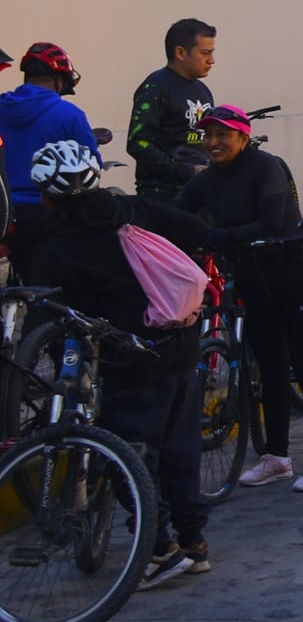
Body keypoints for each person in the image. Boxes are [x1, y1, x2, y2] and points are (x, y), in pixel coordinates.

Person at [24, 140, 213, 588]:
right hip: (180, 342)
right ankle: (193, 542)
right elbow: (196, 232)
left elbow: (43, 313)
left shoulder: (55, 246)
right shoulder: (135, 210)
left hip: (126, 359)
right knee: (180, 445)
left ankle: (159, 549)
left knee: (130, 455)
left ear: (48, 198)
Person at [177, 105, 303, 491]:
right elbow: (176, 212)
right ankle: (276, 457)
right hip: (254, 282)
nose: (213, 143)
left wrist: (214, 237)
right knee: (269, 369)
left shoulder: (266, 168)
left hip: (296, 277)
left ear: (243, 137)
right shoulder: (208, 179)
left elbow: (271, 222)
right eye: (208, 135)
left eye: (222, 135)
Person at [0, 41, 96, 251]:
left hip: (3, 215)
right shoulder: (70, 115)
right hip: (51, 218)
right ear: (59, 80)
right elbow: (91, 169)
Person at [128, 17, 216, 200]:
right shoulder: (155, 87)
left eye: (212, 52)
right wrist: (187, 171)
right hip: (163, 197)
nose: (212, 60)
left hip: (201, 194)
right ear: (180, 53)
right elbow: (138, 143)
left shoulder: (203, 91)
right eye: (205, 53)